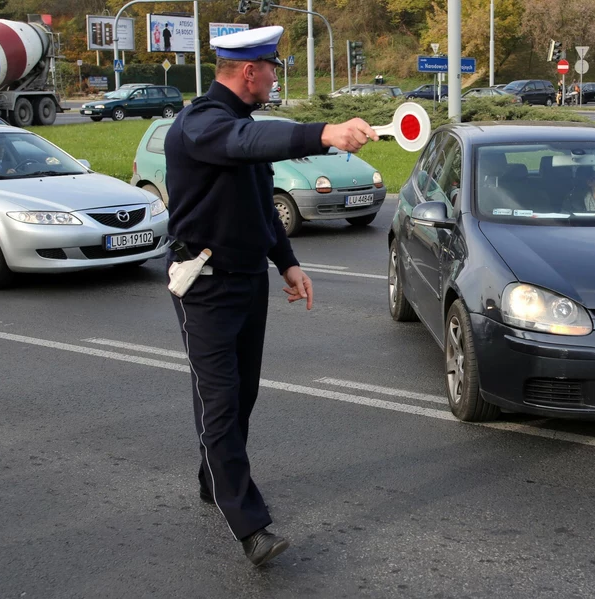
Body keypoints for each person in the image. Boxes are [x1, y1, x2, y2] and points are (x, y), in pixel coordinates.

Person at [163, 25, 378, 568]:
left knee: (243, 395)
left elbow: (261, 204)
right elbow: (246, 145)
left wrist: (287, 262)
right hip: (205, 284)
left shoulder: (242, 123)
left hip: (246, 279)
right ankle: (249, 526)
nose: (276, 76)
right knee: (221, 399)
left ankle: (215, 476)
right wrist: (324, 131)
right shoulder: (201, 125)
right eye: (272, 67)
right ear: (249, 71)